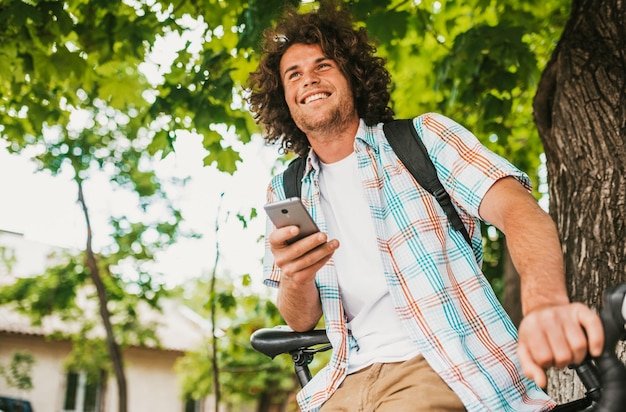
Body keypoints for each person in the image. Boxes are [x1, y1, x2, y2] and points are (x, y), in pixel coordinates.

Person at [247, 4, 604, 412]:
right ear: (284, 99)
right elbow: (299, 321)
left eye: (323, 65)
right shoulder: (286, 188)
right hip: (344, 380)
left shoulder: (423, 138)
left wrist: (544, 304)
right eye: (293, 74)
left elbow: (520, 212)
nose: (308, 78)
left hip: (441, 364)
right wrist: (296, 277)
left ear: (352, 77)